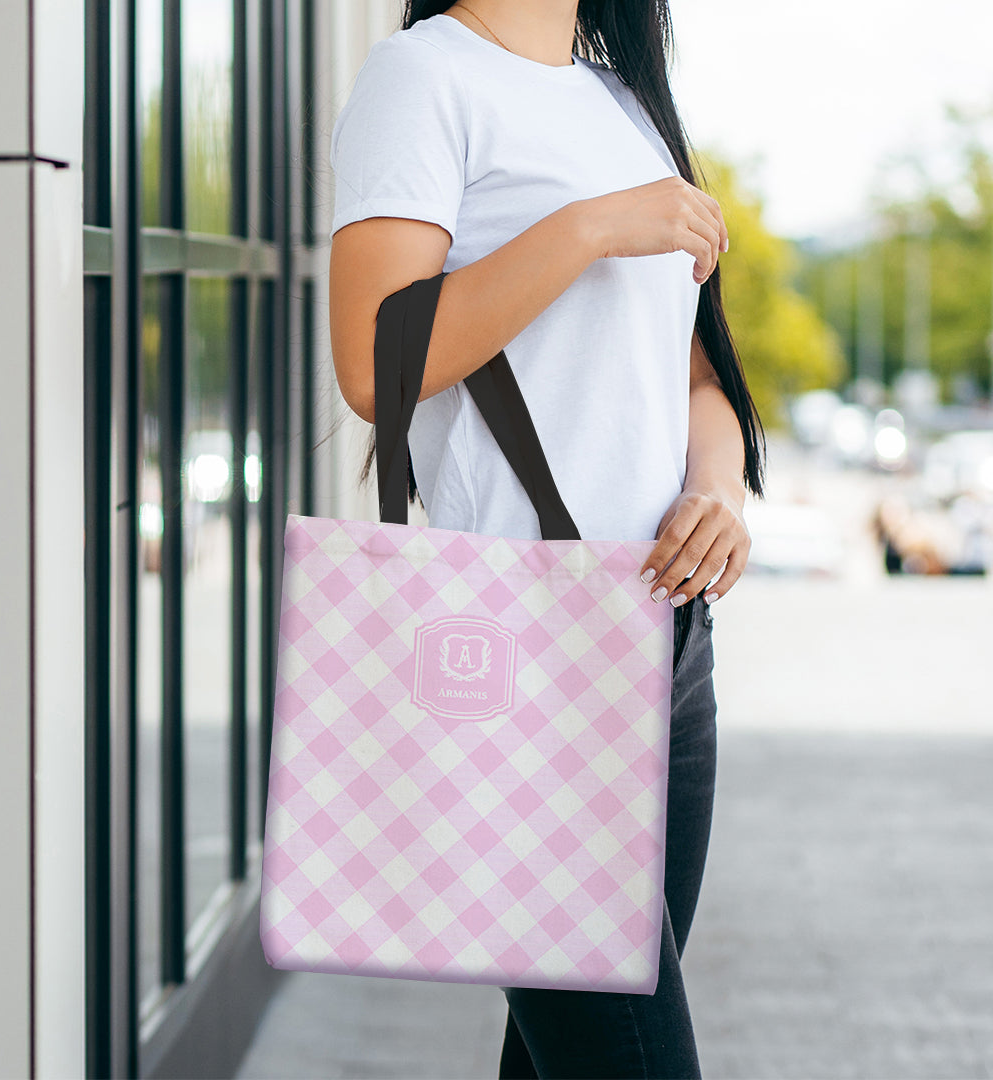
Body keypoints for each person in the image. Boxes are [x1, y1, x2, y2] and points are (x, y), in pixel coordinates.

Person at [327, 1, 766, 1076]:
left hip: (665, 637)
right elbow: (372, 361)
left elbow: (698, 374)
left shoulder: (624, 103)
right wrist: (585, 229)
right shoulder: (421, 78)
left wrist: (716, 490)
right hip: (519, 659)